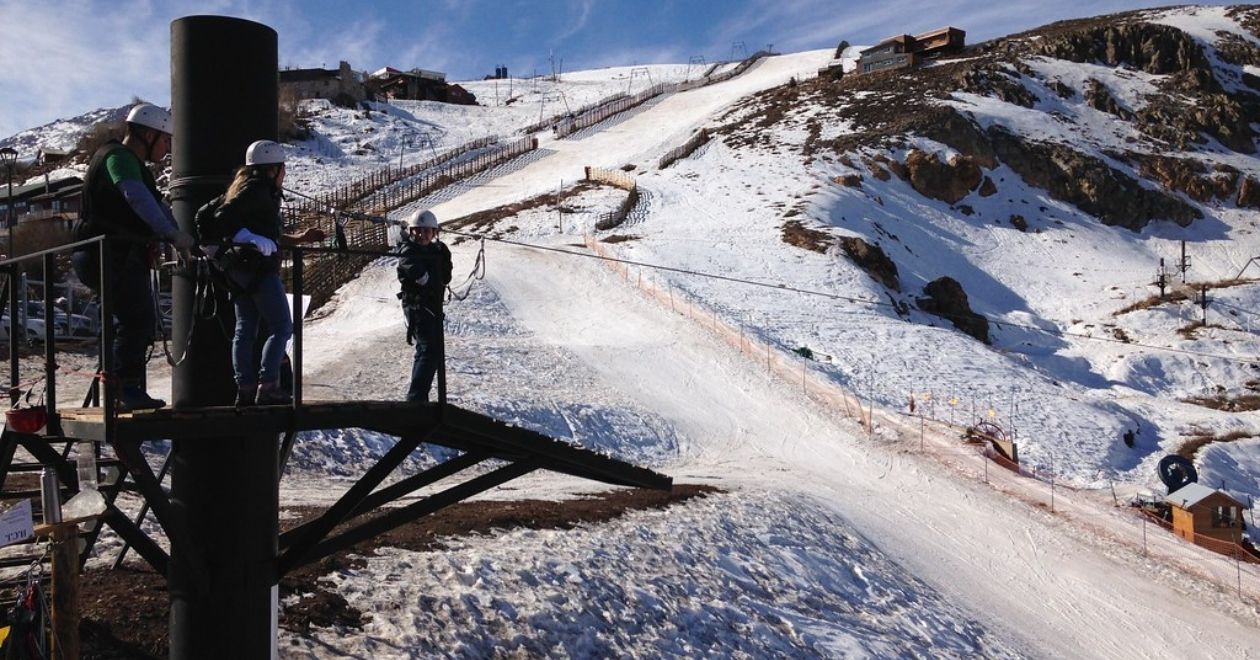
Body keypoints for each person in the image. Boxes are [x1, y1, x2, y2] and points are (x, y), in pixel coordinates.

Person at [72, 103, 195, 411]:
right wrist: (172, 235)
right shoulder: (118, 157)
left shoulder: (133, 165)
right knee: (137, 320)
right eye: (165, 139)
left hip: (111, 254)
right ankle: (124, 390)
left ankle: (125, 388)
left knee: (127, 321)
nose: (167, 148)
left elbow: (157, 207)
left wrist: (180, 237)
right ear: (149, 134)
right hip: (110, 253)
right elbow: (135, 197)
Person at [214, 140, 324, 406]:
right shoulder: (258, 189)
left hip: (239, 271)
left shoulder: (246, 188)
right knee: (282, 327)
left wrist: (299, 238)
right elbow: (222, 217)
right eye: (283, 169)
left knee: (245, 330)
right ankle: (269, 385)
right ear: (273, 169)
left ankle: (246, 388)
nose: (285, 174)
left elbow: (265, 234)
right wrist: (246, 236)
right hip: (259, 269)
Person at [396, 209, 452, 403]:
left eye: (427, 231)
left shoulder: (436, 251)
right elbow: (423, 278)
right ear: (412, 232)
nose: (422, 235)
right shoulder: (408, 252)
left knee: (429, 350)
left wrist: (442, 257)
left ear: (434, 233)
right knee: (429, 350)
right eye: (418, 231)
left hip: (431, 307)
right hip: (417, 307)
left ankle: (418, 397)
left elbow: (445, 277)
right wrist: (435, 270)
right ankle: (416, 398)